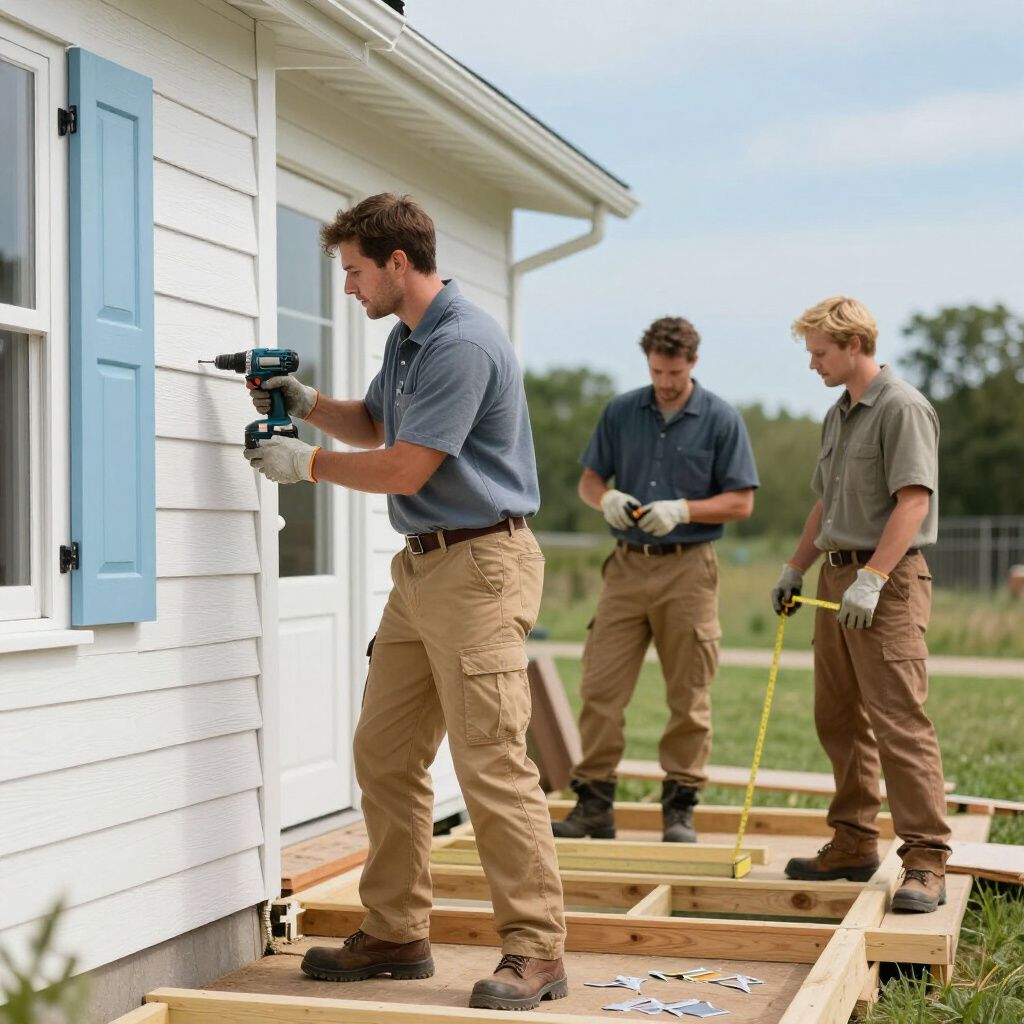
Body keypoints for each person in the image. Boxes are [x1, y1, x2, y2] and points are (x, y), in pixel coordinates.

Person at [244, 193, 567, 1009]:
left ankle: (537, 951)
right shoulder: (408, 341)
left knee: (491, 762)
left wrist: (305, 465)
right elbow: (376, 425)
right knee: (385, 755)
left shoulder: (460, 344)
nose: (348, 287)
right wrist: (306, 403)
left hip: (481, 567)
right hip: (422, 571)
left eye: (354, 271)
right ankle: (395, 931)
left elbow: (404, 468)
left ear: (397, 262)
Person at [773, 295, 951, 913]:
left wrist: (872, 578)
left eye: (819, 353)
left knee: (898, 720)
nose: (813, 364)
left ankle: (926, 861)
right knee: (838, 716)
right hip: (835, 581)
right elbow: (826, 504)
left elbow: (912, 502)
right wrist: (798, 566)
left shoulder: (902, 408)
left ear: (853, 347)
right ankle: (852, 842)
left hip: (888, 584)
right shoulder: (837, 414)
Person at [554, 316, 758, 843]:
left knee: (688, 694)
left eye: (675, 371)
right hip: (625, 566)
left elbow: (741, 501)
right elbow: (589, 479)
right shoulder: (622, 411)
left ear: (693, 362)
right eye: (657, 370)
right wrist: (607, 498)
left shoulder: (719, 419)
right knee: (600, 688)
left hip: (689, 570)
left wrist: (685, 509)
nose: (665, 381)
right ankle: (594, 805)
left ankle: (680, 811)